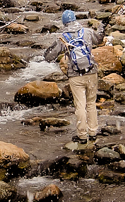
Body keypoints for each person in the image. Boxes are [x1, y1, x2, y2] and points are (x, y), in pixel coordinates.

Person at [42, 8, 103, 141]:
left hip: (75, 75)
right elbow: (99, 40)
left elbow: (49, 57)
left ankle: (82, 135)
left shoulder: (63, 38)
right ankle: (93, 132)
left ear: (64, 23)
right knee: (91, 103)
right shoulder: (87, 32)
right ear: (75, 20)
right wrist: (101, 27)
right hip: (91, 71)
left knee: (80, 105)